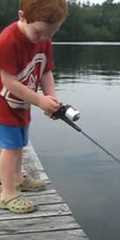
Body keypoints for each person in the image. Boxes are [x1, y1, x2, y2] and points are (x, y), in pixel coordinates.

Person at [0, 0, 68, 213]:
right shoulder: (7, 41)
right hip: (4, 104)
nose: (45, 38)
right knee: (10, 148)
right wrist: (40, 101)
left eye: (52, 33)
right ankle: (8, 193)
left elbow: (46, 72)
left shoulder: (44, 39)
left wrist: (51, 99)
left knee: (20, 143)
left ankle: (18, 178)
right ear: (22, 16)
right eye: (39, 32)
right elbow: (9, 82)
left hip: (23, 104)